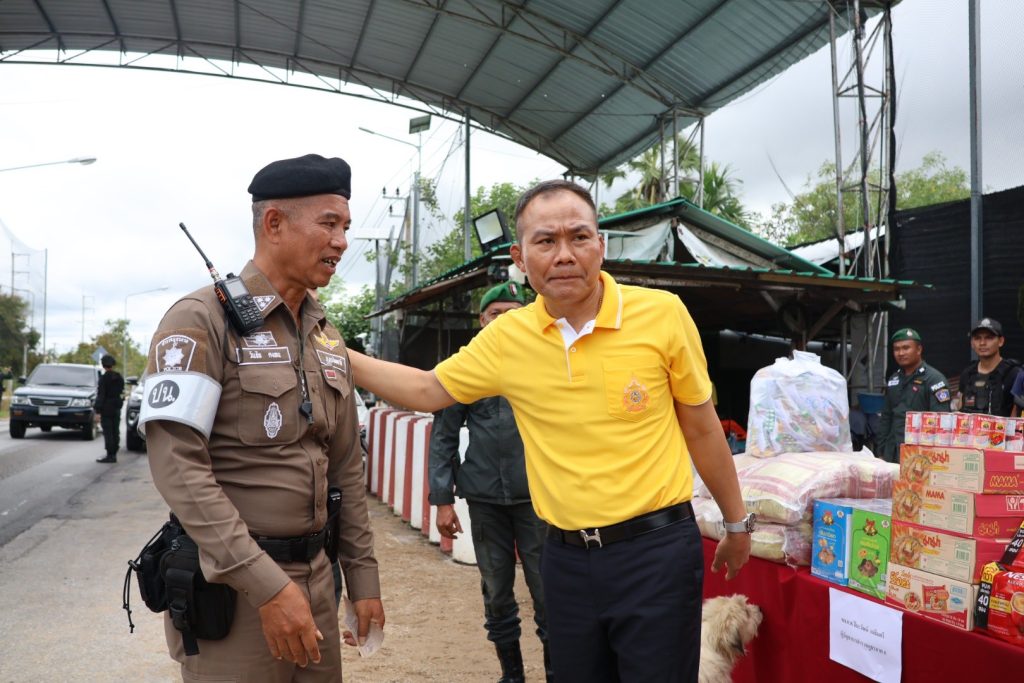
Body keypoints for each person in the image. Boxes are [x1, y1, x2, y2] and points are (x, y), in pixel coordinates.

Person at [349, 179, 751, 683]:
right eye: (545, 241)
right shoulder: (507, 337)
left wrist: (736, 523)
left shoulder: (662, 314)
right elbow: (428, 389)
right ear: (520, 257)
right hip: (563, 557)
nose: (564, 254)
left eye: (578, 237)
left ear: (600, 245)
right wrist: (337, 354)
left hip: (657, 552)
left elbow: (703, 428)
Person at [139, 154, 384, 682]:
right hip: (233, 590)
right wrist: (266, 586)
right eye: (329, 224)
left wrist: (363, 579)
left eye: (345, 226)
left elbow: (345, 468)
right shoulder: (200, 320)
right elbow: (178, 468)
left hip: (318, 581)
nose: (342, 241)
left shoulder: (325, 335)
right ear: (274, 223)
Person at [428, 281, 551, 683]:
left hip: (538, 498)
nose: (503, 320)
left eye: (513, 313)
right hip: (484, 499)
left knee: (548, 592)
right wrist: (442, 500)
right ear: (482, 321)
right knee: (497, 592)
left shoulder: (547, 362)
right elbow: (444, 436)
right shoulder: (467, 367)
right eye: (496, 314)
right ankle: (512, 676)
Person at [877, 327, 951, 463]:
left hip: (920, 455)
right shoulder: (893, 379)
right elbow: (886, 417)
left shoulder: (934, 379)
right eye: (896, 349)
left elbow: (941, 422)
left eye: (906, 348)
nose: (900, 353)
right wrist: (881, 451)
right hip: (892, 451)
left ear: (918, 350)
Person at [956, 318, 1022, 417]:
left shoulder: (1014, 374)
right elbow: (960, 411)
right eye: (977, 338)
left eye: (989, 338)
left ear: (1001, 341)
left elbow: (1018, 416)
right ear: (972, 343)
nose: (982, 343)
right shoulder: (967, 374)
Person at [94, 353, 125, 463]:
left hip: (106, 409)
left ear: (103, 365)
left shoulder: (103, 379)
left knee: (108, 432)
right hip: (116, 408)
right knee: (115, 431)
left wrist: (97, 411)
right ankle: (114, 452)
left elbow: (101, 395)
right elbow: (122, 393)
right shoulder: (119, 377)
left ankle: (110, 455)